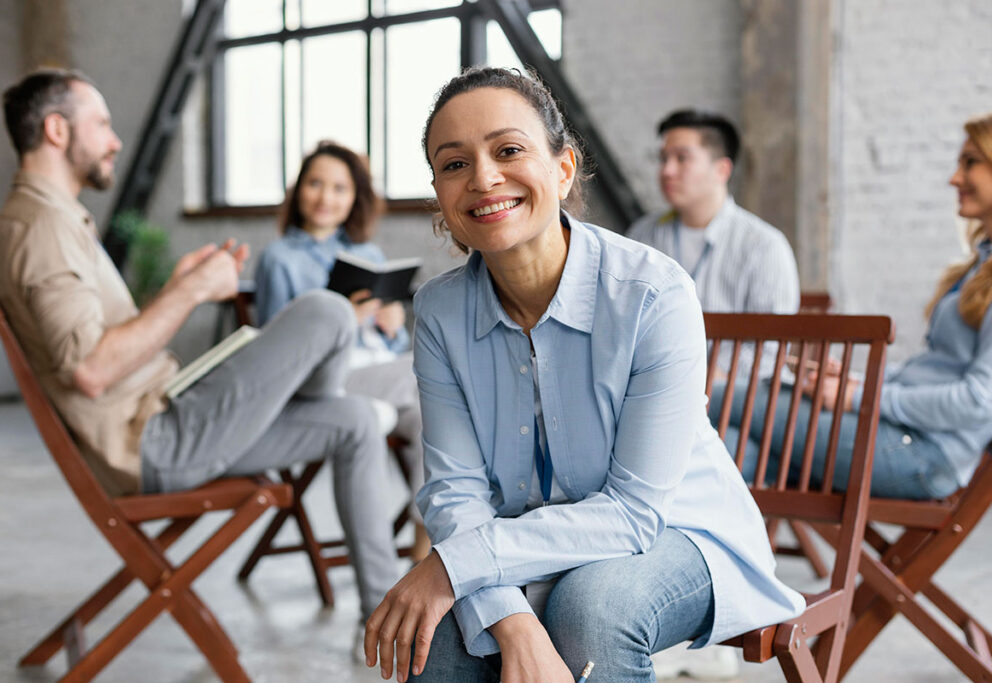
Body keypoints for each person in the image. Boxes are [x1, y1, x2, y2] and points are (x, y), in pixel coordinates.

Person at [361, 66, 804, 683]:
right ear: (440, 192)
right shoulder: (438, 310)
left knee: (590, 611)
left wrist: (454, 565)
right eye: (454, 163)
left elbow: (632, 513)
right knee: (437, 636)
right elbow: (455, 490)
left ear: (563, 169)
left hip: (680, 532)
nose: (484, 177)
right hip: (536, 544)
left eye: (509, 150)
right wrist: (507, 618)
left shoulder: (653, 293)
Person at [0, 69, 400, 637]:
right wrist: (194, 290)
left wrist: (173, 291)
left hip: (168, 416)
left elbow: (98, 346)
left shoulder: (52, 219)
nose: (115, 139)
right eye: (102, 124)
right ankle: (302, 390)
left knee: (353, 420)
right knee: (325, 311)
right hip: (155, 442)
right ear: (57, 130)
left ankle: (380, 620)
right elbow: (90, 369)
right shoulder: (42, 229)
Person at [718, 112, 992, 502]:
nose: (954, 178)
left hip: (923, 453)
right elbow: (932, 373)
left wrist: (856, 398)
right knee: (730, 445)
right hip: (905, 434)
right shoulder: (980, 267)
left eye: (970, 163)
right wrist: (852, 383)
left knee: (725, 397)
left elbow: (981, 402)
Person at [254, 141, 429, 562]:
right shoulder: (279, 259)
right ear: (298, 191)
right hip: (325, 381)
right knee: (432, 378)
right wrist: (343, 318)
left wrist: (389, 326)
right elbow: (275, 351)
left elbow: (391, 346)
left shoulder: (367, 254)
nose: (325, 197)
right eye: (315, 184)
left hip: (377, 372)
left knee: (434, 415)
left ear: (354, 199)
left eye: (339, 188)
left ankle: (425, 546)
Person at [628, 109, 799, 379]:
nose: (667, 171)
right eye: (663, 159)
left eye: (682, 158)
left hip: (739, 396)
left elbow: (770, 351)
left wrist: (704, 377)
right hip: (657, 385)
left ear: (722, 170)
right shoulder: (642, 237)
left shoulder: (764, 245)